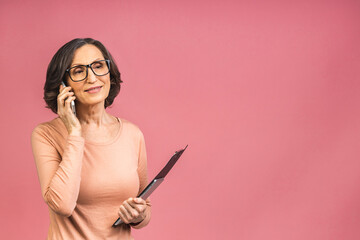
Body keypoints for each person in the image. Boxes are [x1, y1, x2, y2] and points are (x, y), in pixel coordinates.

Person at [31, 38, 151, 239]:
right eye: (79, 71)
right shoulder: (46, 135)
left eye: (98, 66)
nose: (92, 78)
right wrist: (74, 133)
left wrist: (139, 215)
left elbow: (145, 209)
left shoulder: (133, 134)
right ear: (63, 85)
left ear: (109, 73)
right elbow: (63, 205)